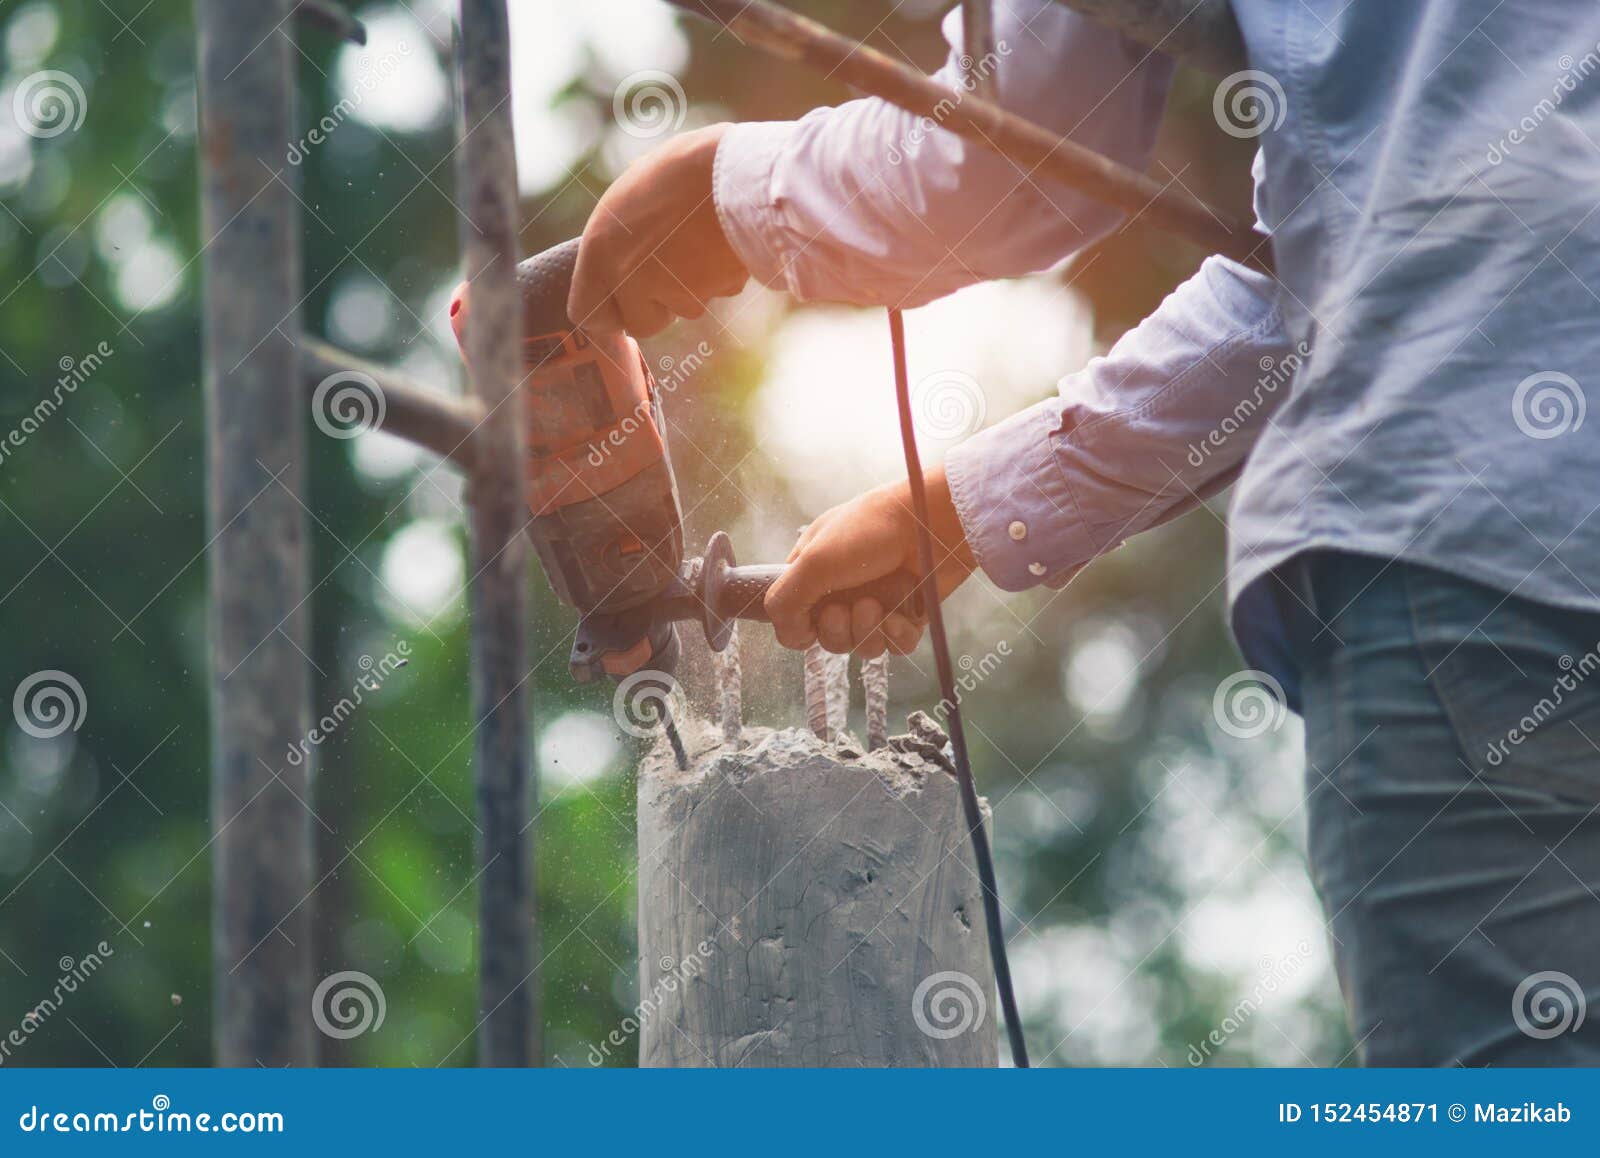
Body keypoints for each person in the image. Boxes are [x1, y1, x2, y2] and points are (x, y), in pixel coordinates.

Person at [569, 1, 1600, 1065]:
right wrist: (948, 511)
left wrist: (721, 195)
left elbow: (1020, 147)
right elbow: (1348, 262)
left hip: (1480, 540)